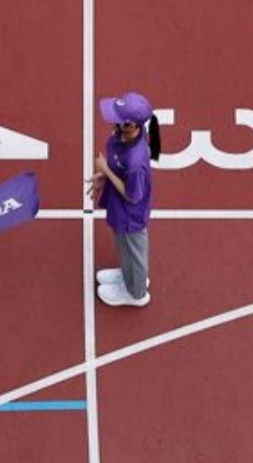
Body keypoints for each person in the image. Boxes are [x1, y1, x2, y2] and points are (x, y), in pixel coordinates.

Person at [87, 90, 162, 307]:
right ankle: (127, 276)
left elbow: (132, 194)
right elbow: (118, 170)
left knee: (134, 251)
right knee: (123, 247)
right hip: (119, 206)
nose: (113, 122)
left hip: (131, 215)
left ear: (132, 126)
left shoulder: (136, 161)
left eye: (119, 120)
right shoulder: (121, 137)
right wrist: (105, 177)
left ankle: (136, 292)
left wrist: (106, 172)